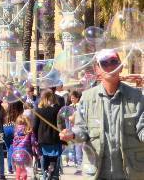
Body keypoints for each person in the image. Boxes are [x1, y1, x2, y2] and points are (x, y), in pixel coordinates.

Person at [60, 48, 144, 180]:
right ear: (97, 69)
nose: (110, 66)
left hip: (130, 173)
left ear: (121, 67)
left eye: (114, 62)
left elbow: (142, 129)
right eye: (104, 63)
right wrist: (72, 134)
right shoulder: (87, 98)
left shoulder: (137, 97)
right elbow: (81, 129)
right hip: (97, 174)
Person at [9, 115, 35, 180]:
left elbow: (14, 142)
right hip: (25, 153)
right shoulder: (29, 130)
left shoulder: (16, 131)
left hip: (16, 153)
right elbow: (33, 141)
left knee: (18, 169)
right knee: (24, 170)